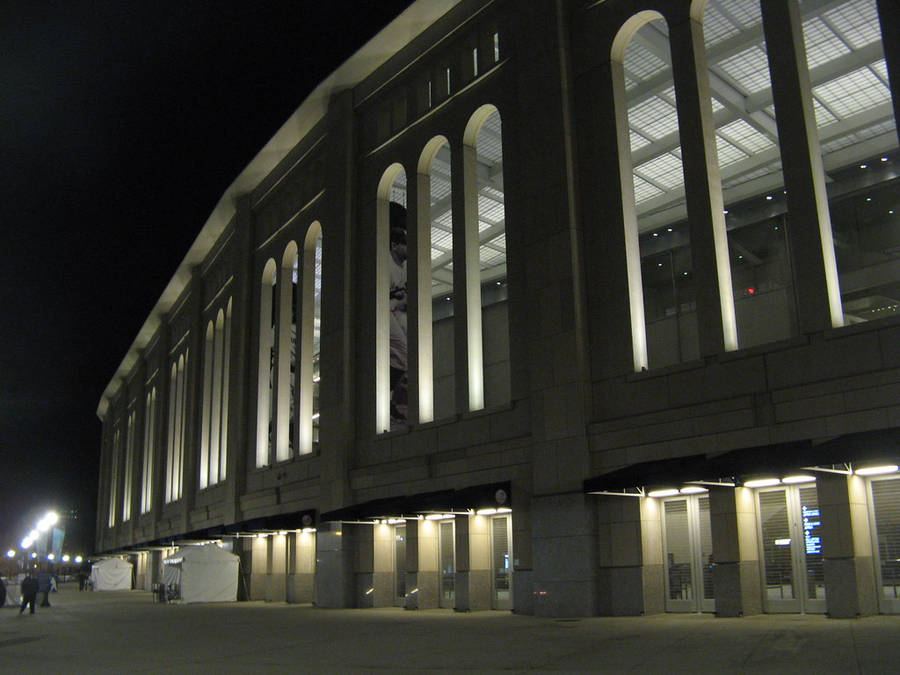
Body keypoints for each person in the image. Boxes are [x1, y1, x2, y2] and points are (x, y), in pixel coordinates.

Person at [388, 202, 408, 427]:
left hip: (396, 313)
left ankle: (390, 398)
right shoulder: (387, 263)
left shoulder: (400, 266)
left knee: (404, 357)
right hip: (386, 314)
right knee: (403, 354)